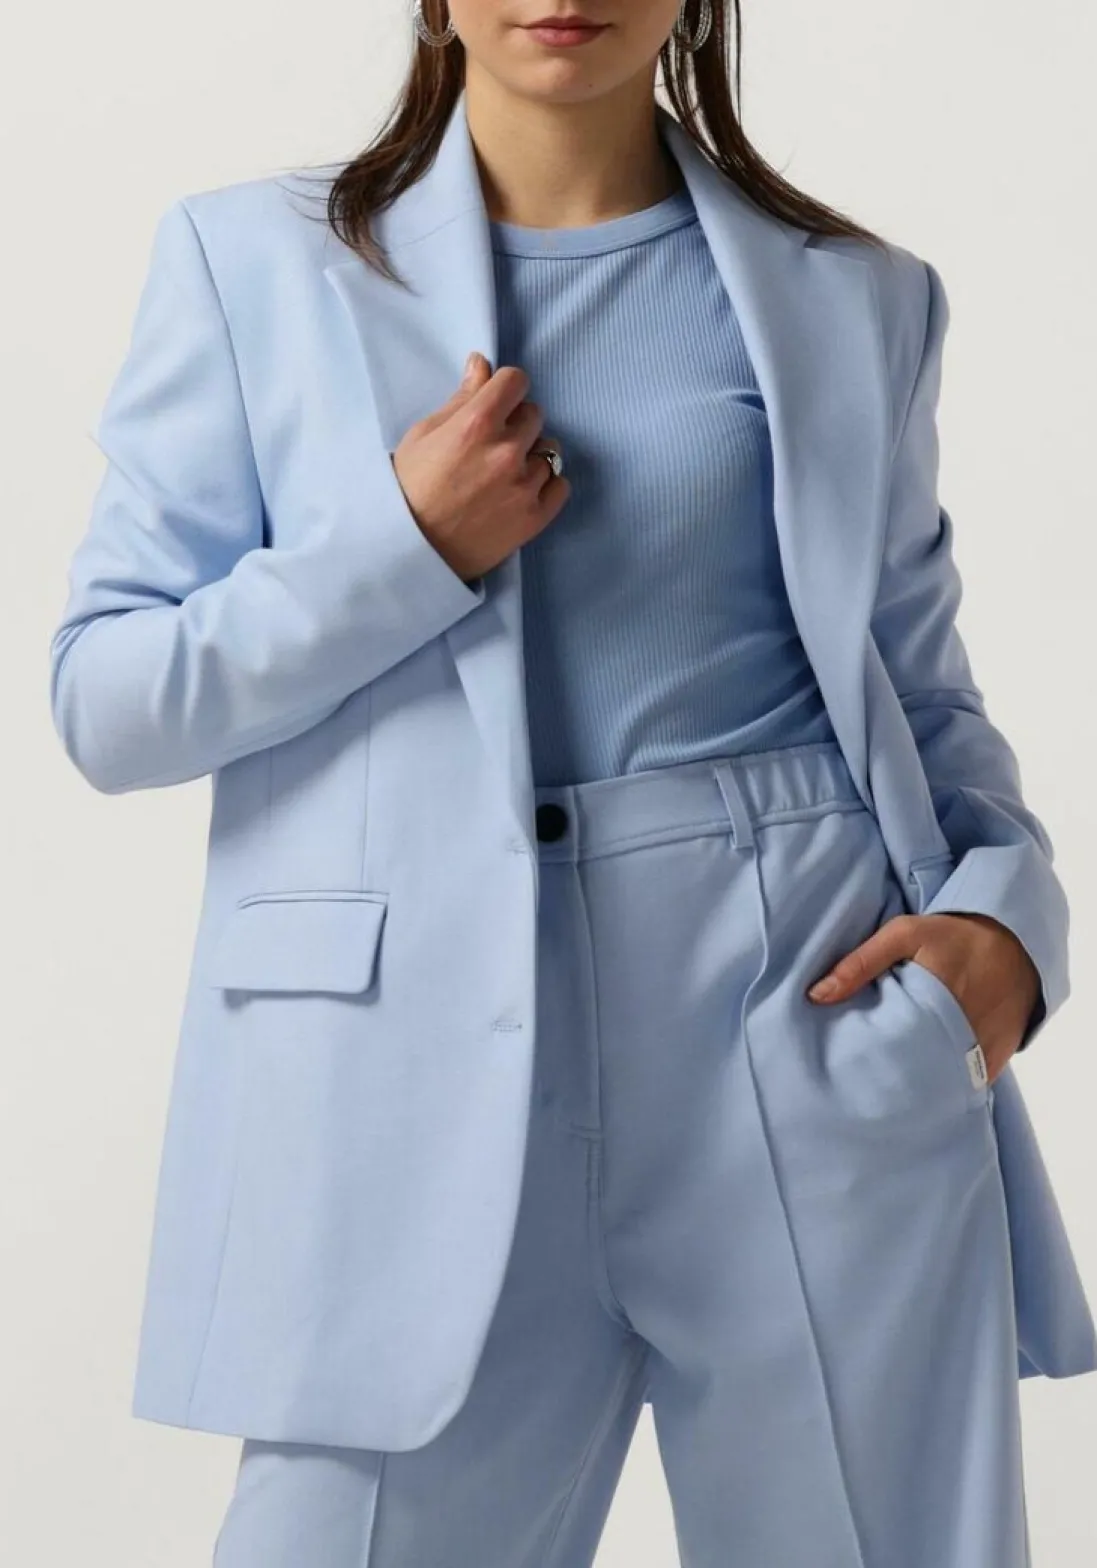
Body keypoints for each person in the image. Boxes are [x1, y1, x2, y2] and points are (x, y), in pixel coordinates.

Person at [48, 2, 1096, 1564]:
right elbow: (108, 698)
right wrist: (404, 543)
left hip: (808, 1017)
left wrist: (1008, 925)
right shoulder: (253, 264)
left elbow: (915, 683)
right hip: (406, 1054)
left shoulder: (860, 295)